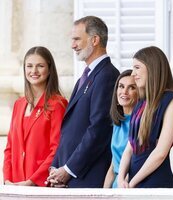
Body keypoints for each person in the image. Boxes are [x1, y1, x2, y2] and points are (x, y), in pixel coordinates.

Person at [46, 16, 119, 188]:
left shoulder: (107, 75)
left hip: (88, 176)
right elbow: (69, 129)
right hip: (69, 177)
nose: (73, 45)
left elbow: (98, 129)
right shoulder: (84, 78)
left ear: (95, 40)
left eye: (77, 39)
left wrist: (69, 169)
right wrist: (56, 168)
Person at [118, 46, 173, 188]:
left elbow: (160, 152)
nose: (133, 73)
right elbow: (129, 147)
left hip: (156, 184)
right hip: (133, 185)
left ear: (152, 68)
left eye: (137, 67)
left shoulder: (172, 102)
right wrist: (121, 178)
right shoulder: (141, 103)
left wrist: (133, 182)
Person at [3, 46, 68, 186]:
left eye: (40, 66)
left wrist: (32, 181)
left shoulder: (57, 104)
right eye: (29, 66)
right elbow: (9, 148)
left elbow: (57, 148)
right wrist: (7, 179)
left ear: (49, 70)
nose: (34, 71)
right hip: (15, 183)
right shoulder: (18, 104)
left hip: (40, 184)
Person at [103, 70, 138, 188]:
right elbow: (114, 166)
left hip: (129, 186)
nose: (124, 92)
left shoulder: (141, 122)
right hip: (116, 186)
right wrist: (103, 194)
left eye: (131, 87)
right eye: (121, 86)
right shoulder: (117, 123)